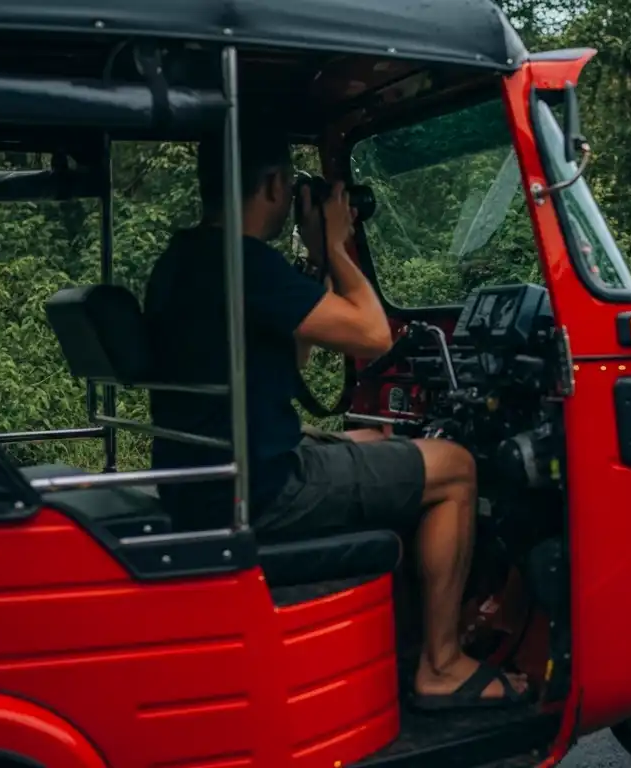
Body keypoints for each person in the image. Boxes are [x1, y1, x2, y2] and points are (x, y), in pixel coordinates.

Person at [142, 122, 528, 710]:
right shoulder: (244, 263)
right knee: (453, 467)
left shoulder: (184, 260)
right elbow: (374, 336)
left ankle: (404, 633)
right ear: (274, 185)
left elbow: (292, 359)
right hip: (266, 489)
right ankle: (441, 664)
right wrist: (340, 250)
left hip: (211, 477)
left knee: (371, 436)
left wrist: (316, 260)